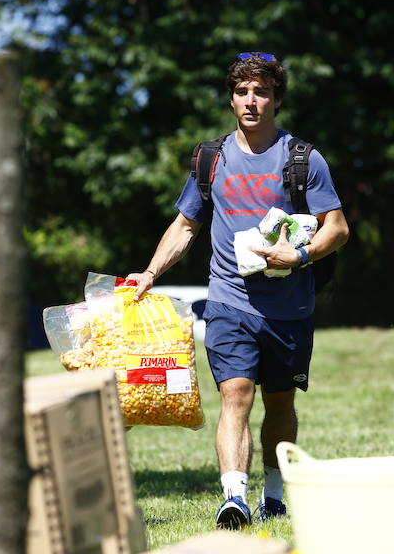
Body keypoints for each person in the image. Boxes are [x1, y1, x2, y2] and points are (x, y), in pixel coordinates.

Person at [127, 52, 349, 529]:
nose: (252, 101)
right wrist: (149, 273)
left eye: (262, 91)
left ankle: (274, 492)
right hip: (229, 300)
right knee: (236, 394)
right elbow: (186, 226)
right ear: (231, 99)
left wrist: (300, 256)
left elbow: (338, 229)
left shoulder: (304, 159)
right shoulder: (213, 158)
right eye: (243, 91)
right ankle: (234, 498)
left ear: (277, 99)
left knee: (280, 403)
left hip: (289, 305)